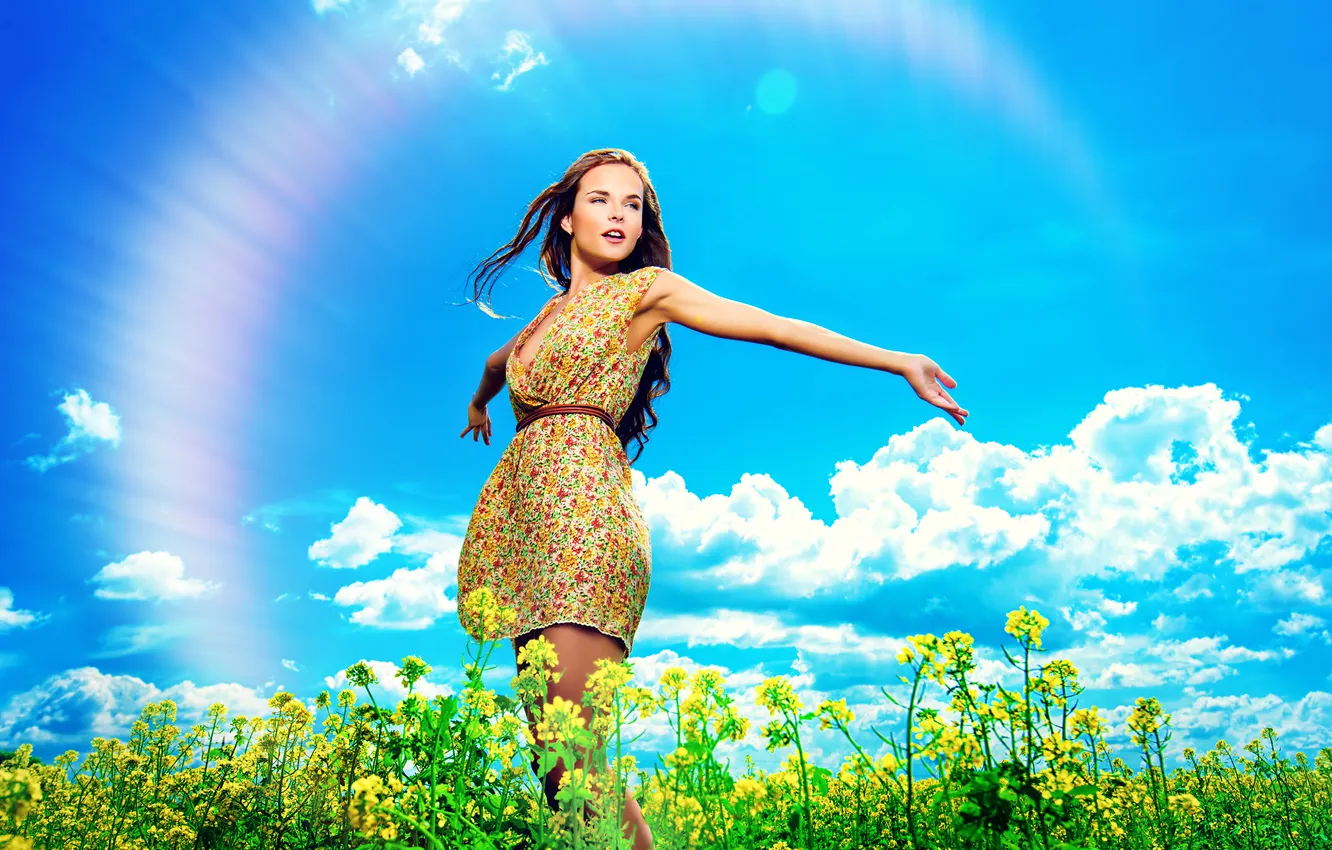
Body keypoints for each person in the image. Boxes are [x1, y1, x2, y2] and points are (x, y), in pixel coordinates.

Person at [457, 148, 968, 848]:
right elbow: (494, 365)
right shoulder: (544, 319)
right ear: (569, 216)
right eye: (602, 199)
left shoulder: (646, 292)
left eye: (633, 205)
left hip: (588, 520)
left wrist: (896, 359)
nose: (618, 214)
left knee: (577, 759)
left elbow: (771, 325)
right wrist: (481, 405)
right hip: (526, 530)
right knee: (556, 768)